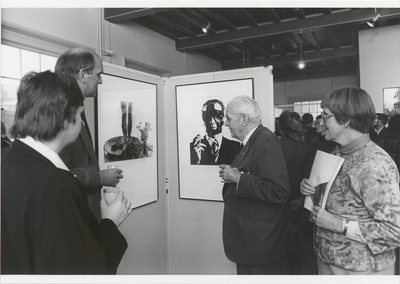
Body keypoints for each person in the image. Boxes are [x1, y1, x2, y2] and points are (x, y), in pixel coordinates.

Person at [1, 71, 131, 274]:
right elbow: (86, 270)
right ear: (65, 120)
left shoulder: (6, 159)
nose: (81, 121)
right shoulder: (57, 185)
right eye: (80, 113)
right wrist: (110, 222)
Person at [300, 86, 400, 275]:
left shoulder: (375, 164)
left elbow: (394, 231)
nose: (320, 122)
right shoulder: (337, 152)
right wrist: (313, 191)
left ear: (345, 120)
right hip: (329, 259)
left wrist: (337, 224)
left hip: (362, 269)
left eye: (325, 116)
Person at [218, 96, 295, 274]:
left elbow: (279, 191)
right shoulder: (253, 141)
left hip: (261, 247)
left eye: (228, 118)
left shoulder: (266, 142)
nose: (226, 124)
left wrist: (239, 179)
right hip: (251, 244)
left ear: (244, 119)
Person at [55, 47, 123, 221]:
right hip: (73, 219)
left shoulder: (75, 108)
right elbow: (57, 176)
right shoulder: (62, 113)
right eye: (98, 75)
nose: (100, 81)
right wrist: (99, 177)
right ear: (83, 75)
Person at [277, 110, 317, 274]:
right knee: (299, 251)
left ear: (280, 128)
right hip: (300, 203)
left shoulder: (275, 147)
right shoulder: (308, 147)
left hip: (278, 204)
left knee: (279, 250)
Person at [190, 99, 240, 165]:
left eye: (216, 115)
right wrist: (196, 161)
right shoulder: (194, 147)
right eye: (207, 116)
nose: (211, 121)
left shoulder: (236, 147)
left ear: (223, 117)